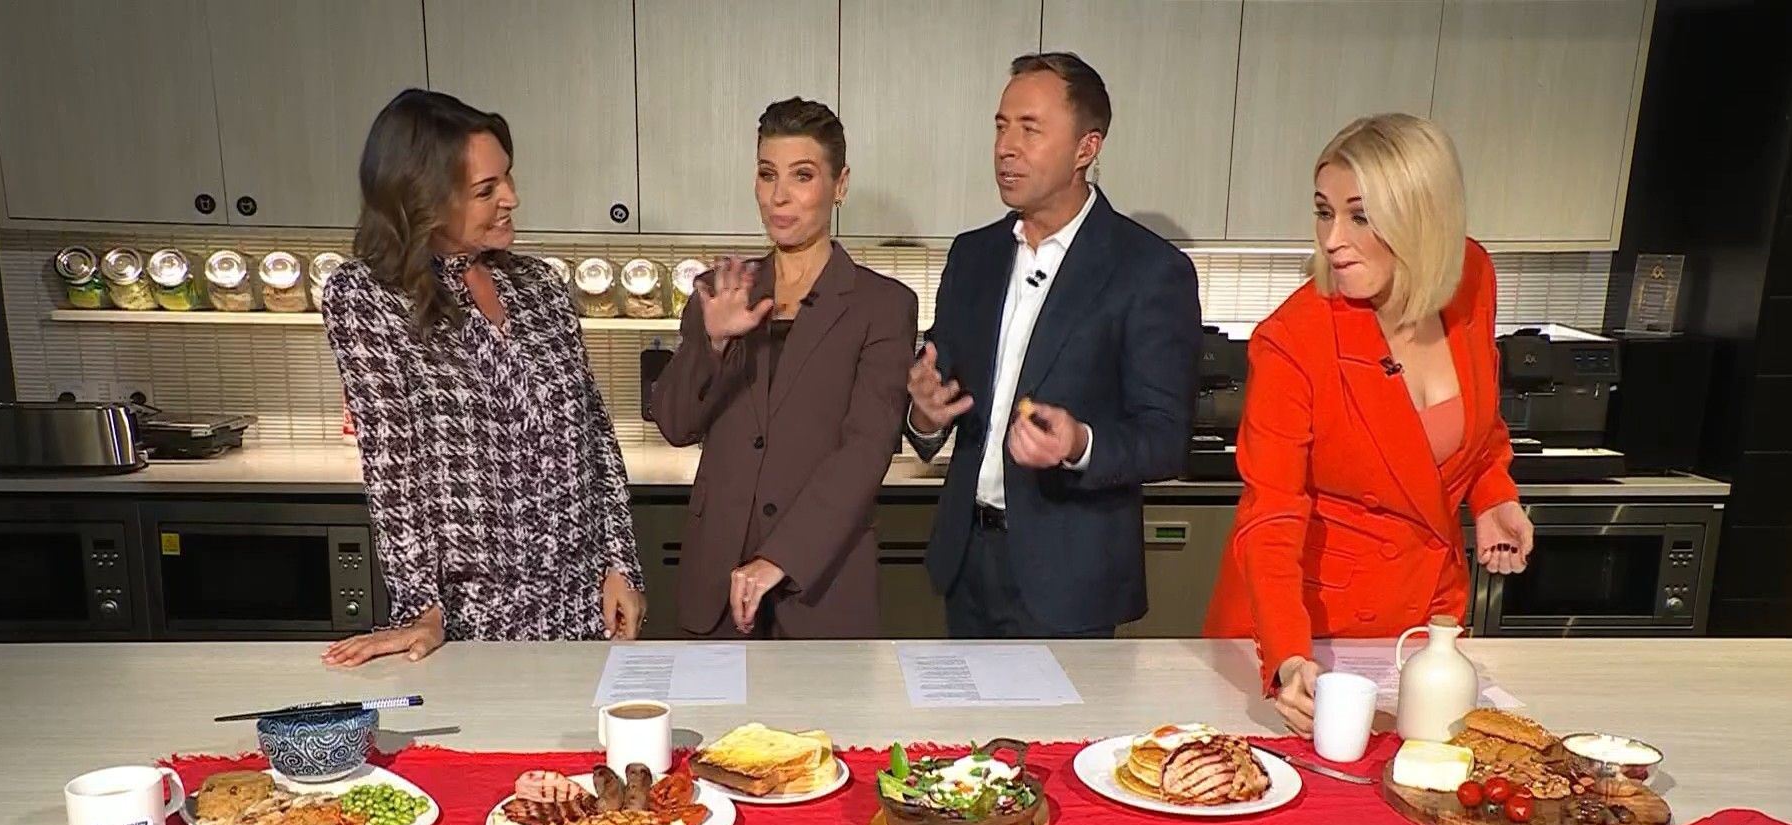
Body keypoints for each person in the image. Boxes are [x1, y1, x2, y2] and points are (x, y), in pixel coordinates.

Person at [1201, 113, 1535, 733]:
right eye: (1324, 212)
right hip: (1311, 634)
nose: (1332, 240)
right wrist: (1288, 659)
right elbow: (1270, 513)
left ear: (1421, 218)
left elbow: (1479, 422)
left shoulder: (1472, 277)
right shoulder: (1294, 339)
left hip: (1422, 624)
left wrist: (1493, 494)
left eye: (1359, 216)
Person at [319, 89, 645, 667]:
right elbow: (394, 467)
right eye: (485, 189)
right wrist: (420, 606)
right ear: (424, 199)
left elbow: (594, 434)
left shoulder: (540, 286)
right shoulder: (366, 297)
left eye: (507, 178)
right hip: (473, 617)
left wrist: (621, 562)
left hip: (584, 602)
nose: (511, 198)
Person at [904, 52, 1200, 638]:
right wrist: (924, 413)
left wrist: (1080, 442)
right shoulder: (973, 256)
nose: (1005, 147)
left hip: (1071, 581)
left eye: (1030, 129)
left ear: (1086, 148)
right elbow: (939, 394)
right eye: (1000, 126)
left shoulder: (1148, 270)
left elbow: (1166, 439)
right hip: (967, 565)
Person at [651, 99, 915, 637]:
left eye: (802, 176)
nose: (779, 196)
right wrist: (713, 343)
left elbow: (866, 450)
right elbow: (675, 424)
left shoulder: (883, 305)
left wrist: (780, 558)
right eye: (768, 174)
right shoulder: (720, 290)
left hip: (822, 587)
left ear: (840, 185)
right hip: (716, 587)